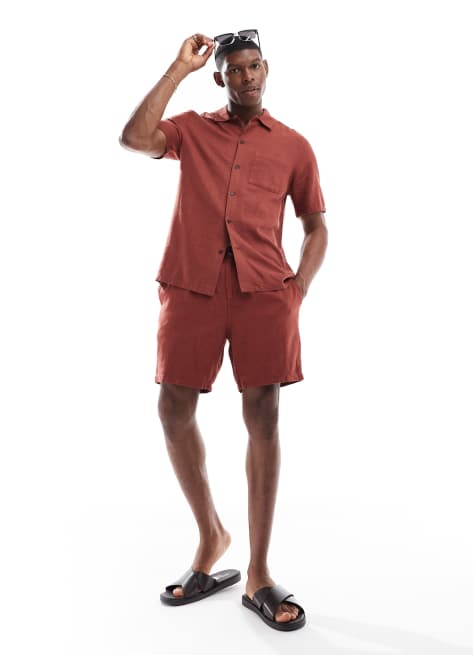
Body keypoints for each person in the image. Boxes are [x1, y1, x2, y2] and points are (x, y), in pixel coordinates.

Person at [119, 30, 328, 632]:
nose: (247, 77)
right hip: (192, 288)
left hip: (265, 296)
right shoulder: (192, 130)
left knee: (264, 418)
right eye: (235, 70)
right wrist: (177, 68)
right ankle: (211, 535)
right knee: (172, 409)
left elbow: (317, 226)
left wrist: (298, 288)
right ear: (220, 78)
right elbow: (134, 138)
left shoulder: (294, 146)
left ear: (267, 69)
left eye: (254, 66)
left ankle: (258, 572)